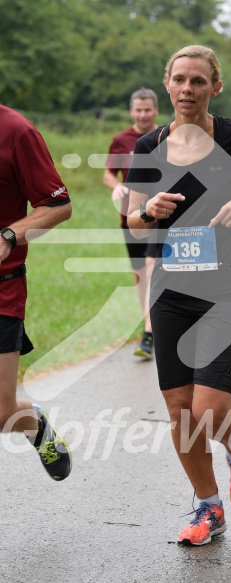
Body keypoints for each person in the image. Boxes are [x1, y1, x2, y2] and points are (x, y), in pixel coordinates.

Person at [127, 45, 231, 545]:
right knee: (179, 408)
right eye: (179, 79)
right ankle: (208, 506)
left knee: (209, 410)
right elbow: (134, 225)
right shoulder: (148, 148)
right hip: (171, 291)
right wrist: (149, 208)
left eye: (198, 81)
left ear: (214, 87)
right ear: (167, 82)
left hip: (228, 289)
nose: (186, 90)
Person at [0, 104, 72, 480]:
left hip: (2, 289)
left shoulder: (16, 131)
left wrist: (10, 235)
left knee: (1, 412)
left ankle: (34, 423)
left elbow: (58, 204)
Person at [104, 88, 159, 359]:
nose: (143, 114)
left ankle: (150, 333)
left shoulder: (166, 136)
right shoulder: (121, 140)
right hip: (131, 217)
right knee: (141, 274)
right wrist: (116, 187)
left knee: (154, 265)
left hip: (161, 215)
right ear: (131, 112)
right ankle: (150, 325)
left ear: (156, 111)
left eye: (147, 109)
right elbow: (108, 174)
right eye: (138, 110)